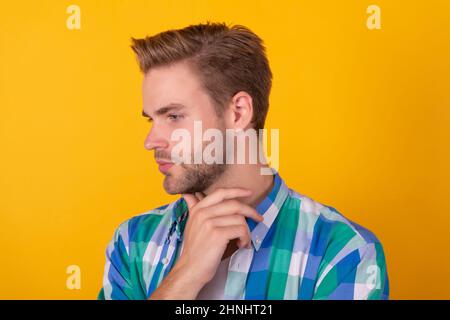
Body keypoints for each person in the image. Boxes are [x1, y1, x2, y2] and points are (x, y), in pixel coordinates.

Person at [98, 22, 389, 300]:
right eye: (152, 119)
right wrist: (185, 275)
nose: (151, 141)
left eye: (173, 116)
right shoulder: (131, 243)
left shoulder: (342, 251)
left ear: (238, 113)